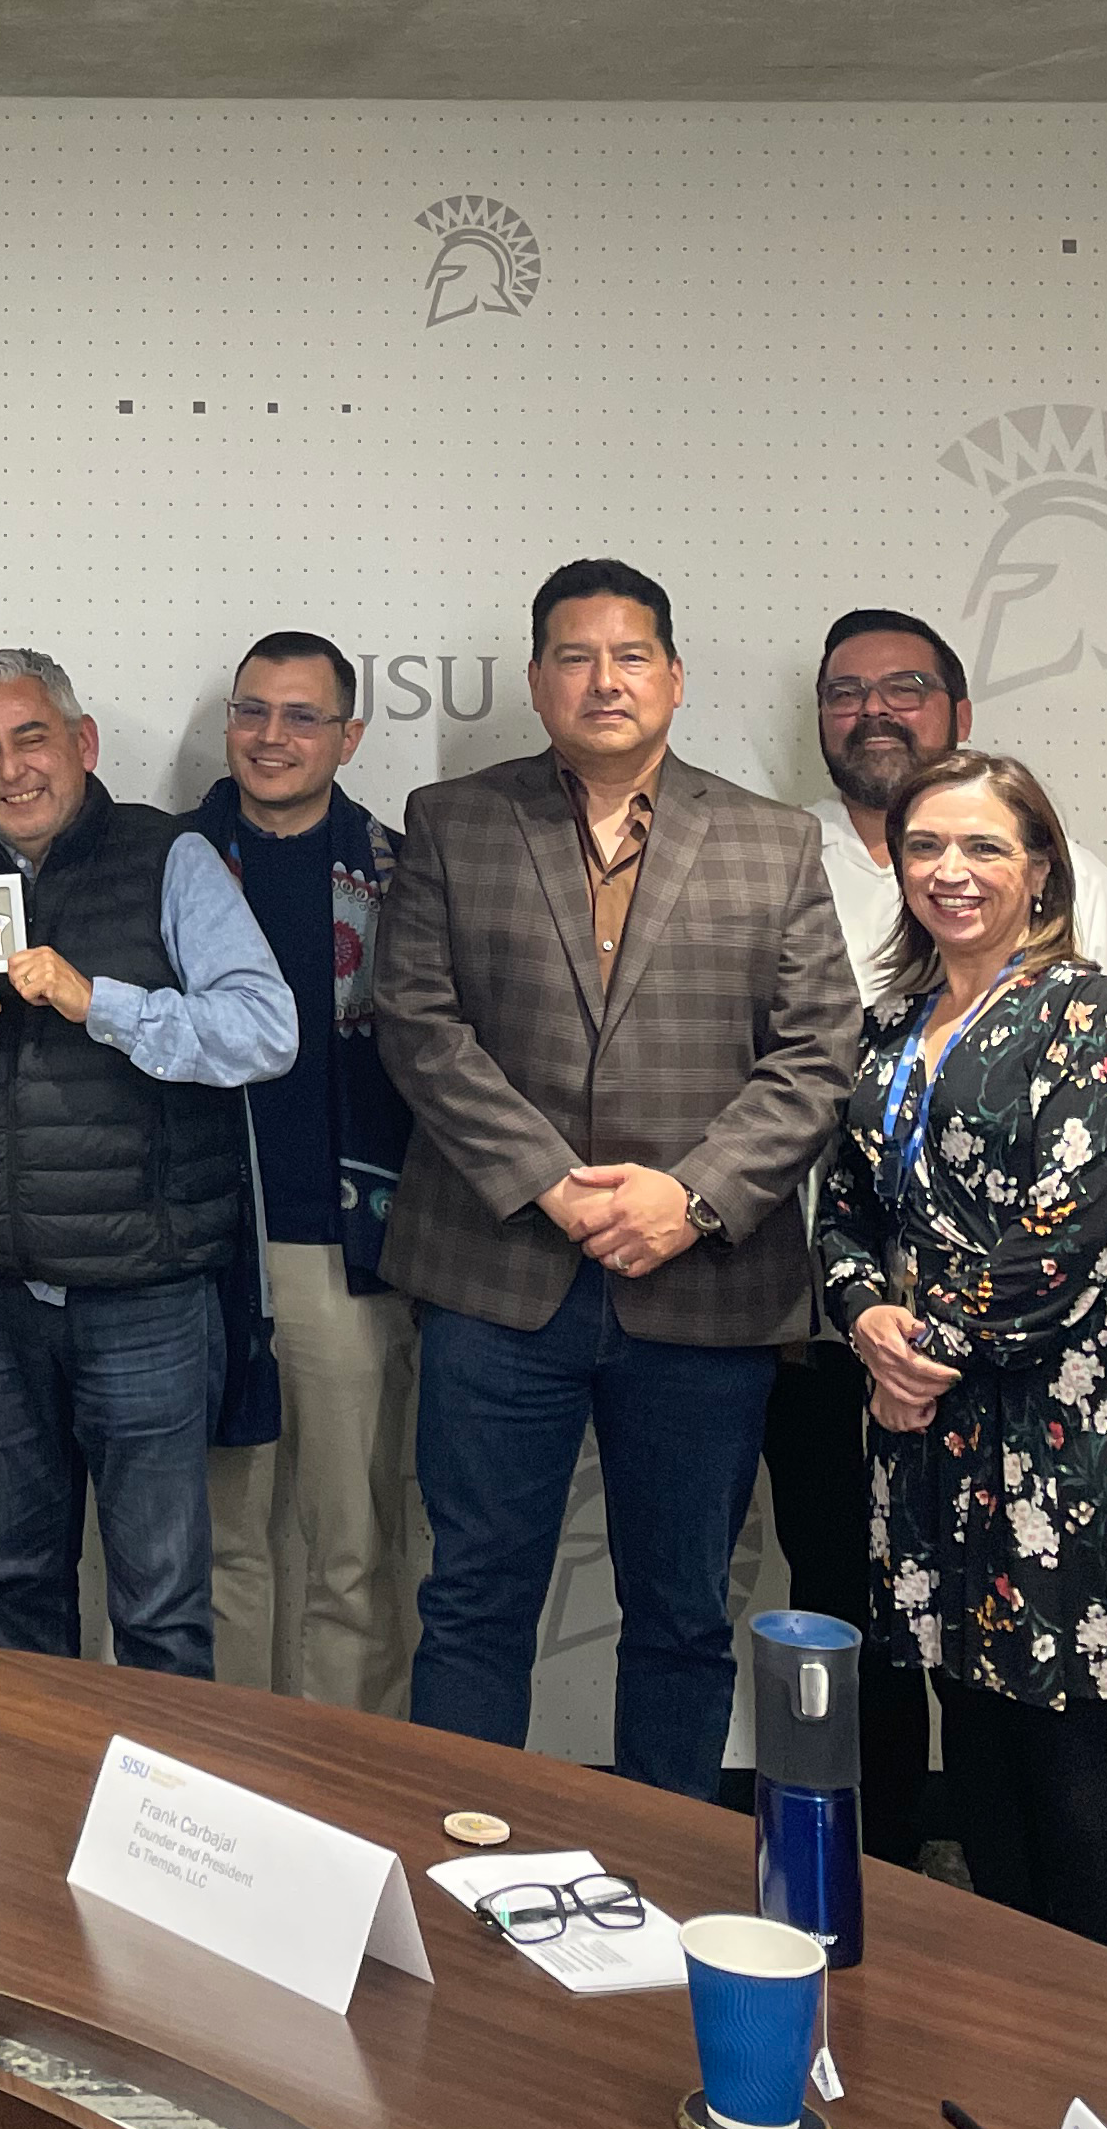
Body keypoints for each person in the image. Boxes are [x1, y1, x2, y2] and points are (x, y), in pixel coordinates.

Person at [375, 558, 858, 1800]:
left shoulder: (772, 840)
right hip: (497, 1276)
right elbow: (416, 1021)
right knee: (476, 1602)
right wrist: (549, 1181)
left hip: (704, 1289)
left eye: (631, 655)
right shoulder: (452, 820)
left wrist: (687, 1199)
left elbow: (817, 1055)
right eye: (576, 657)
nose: (604, 679)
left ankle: (663, 1879)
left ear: (676, 678)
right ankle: (458, 1867)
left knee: (684, 1614)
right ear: (538, 681)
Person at [766, 606, 1107, 1863]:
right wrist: (865, 1317)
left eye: (984, 848)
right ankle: (1001, 2000)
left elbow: (1065, 1236)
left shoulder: (1084, 1015)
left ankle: (1086, 2024)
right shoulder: (894, 1029)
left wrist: (917, 1355)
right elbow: (844, 1199)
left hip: (1048, 1412)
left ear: (1039, 868)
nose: (953, 869)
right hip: (924, 1422)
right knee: (968, 1705)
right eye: (928, 847)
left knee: (1063, 1720)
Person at [0, 649, 295, 1678]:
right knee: (19, 1579)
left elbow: (267, 1031)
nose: (9, 769)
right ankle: (30, 1815)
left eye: (30, 738)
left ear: (81, 743)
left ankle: (161, 1835)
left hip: (146, 1296)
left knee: (160, 1601)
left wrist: (98, 1003)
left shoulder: (173, 860)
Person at [181, 632, 421, 1713]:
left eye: (301, 717)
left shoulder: (405, 873)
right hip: (198, 1246)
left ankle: (344, 1785)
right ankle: (223, 1788)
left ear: (349, 735)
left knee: (353, 1546)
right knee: (218, 1542)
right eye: (253, 711)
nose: (272, 737)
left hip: (346, 1250)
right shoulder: (167, 861)